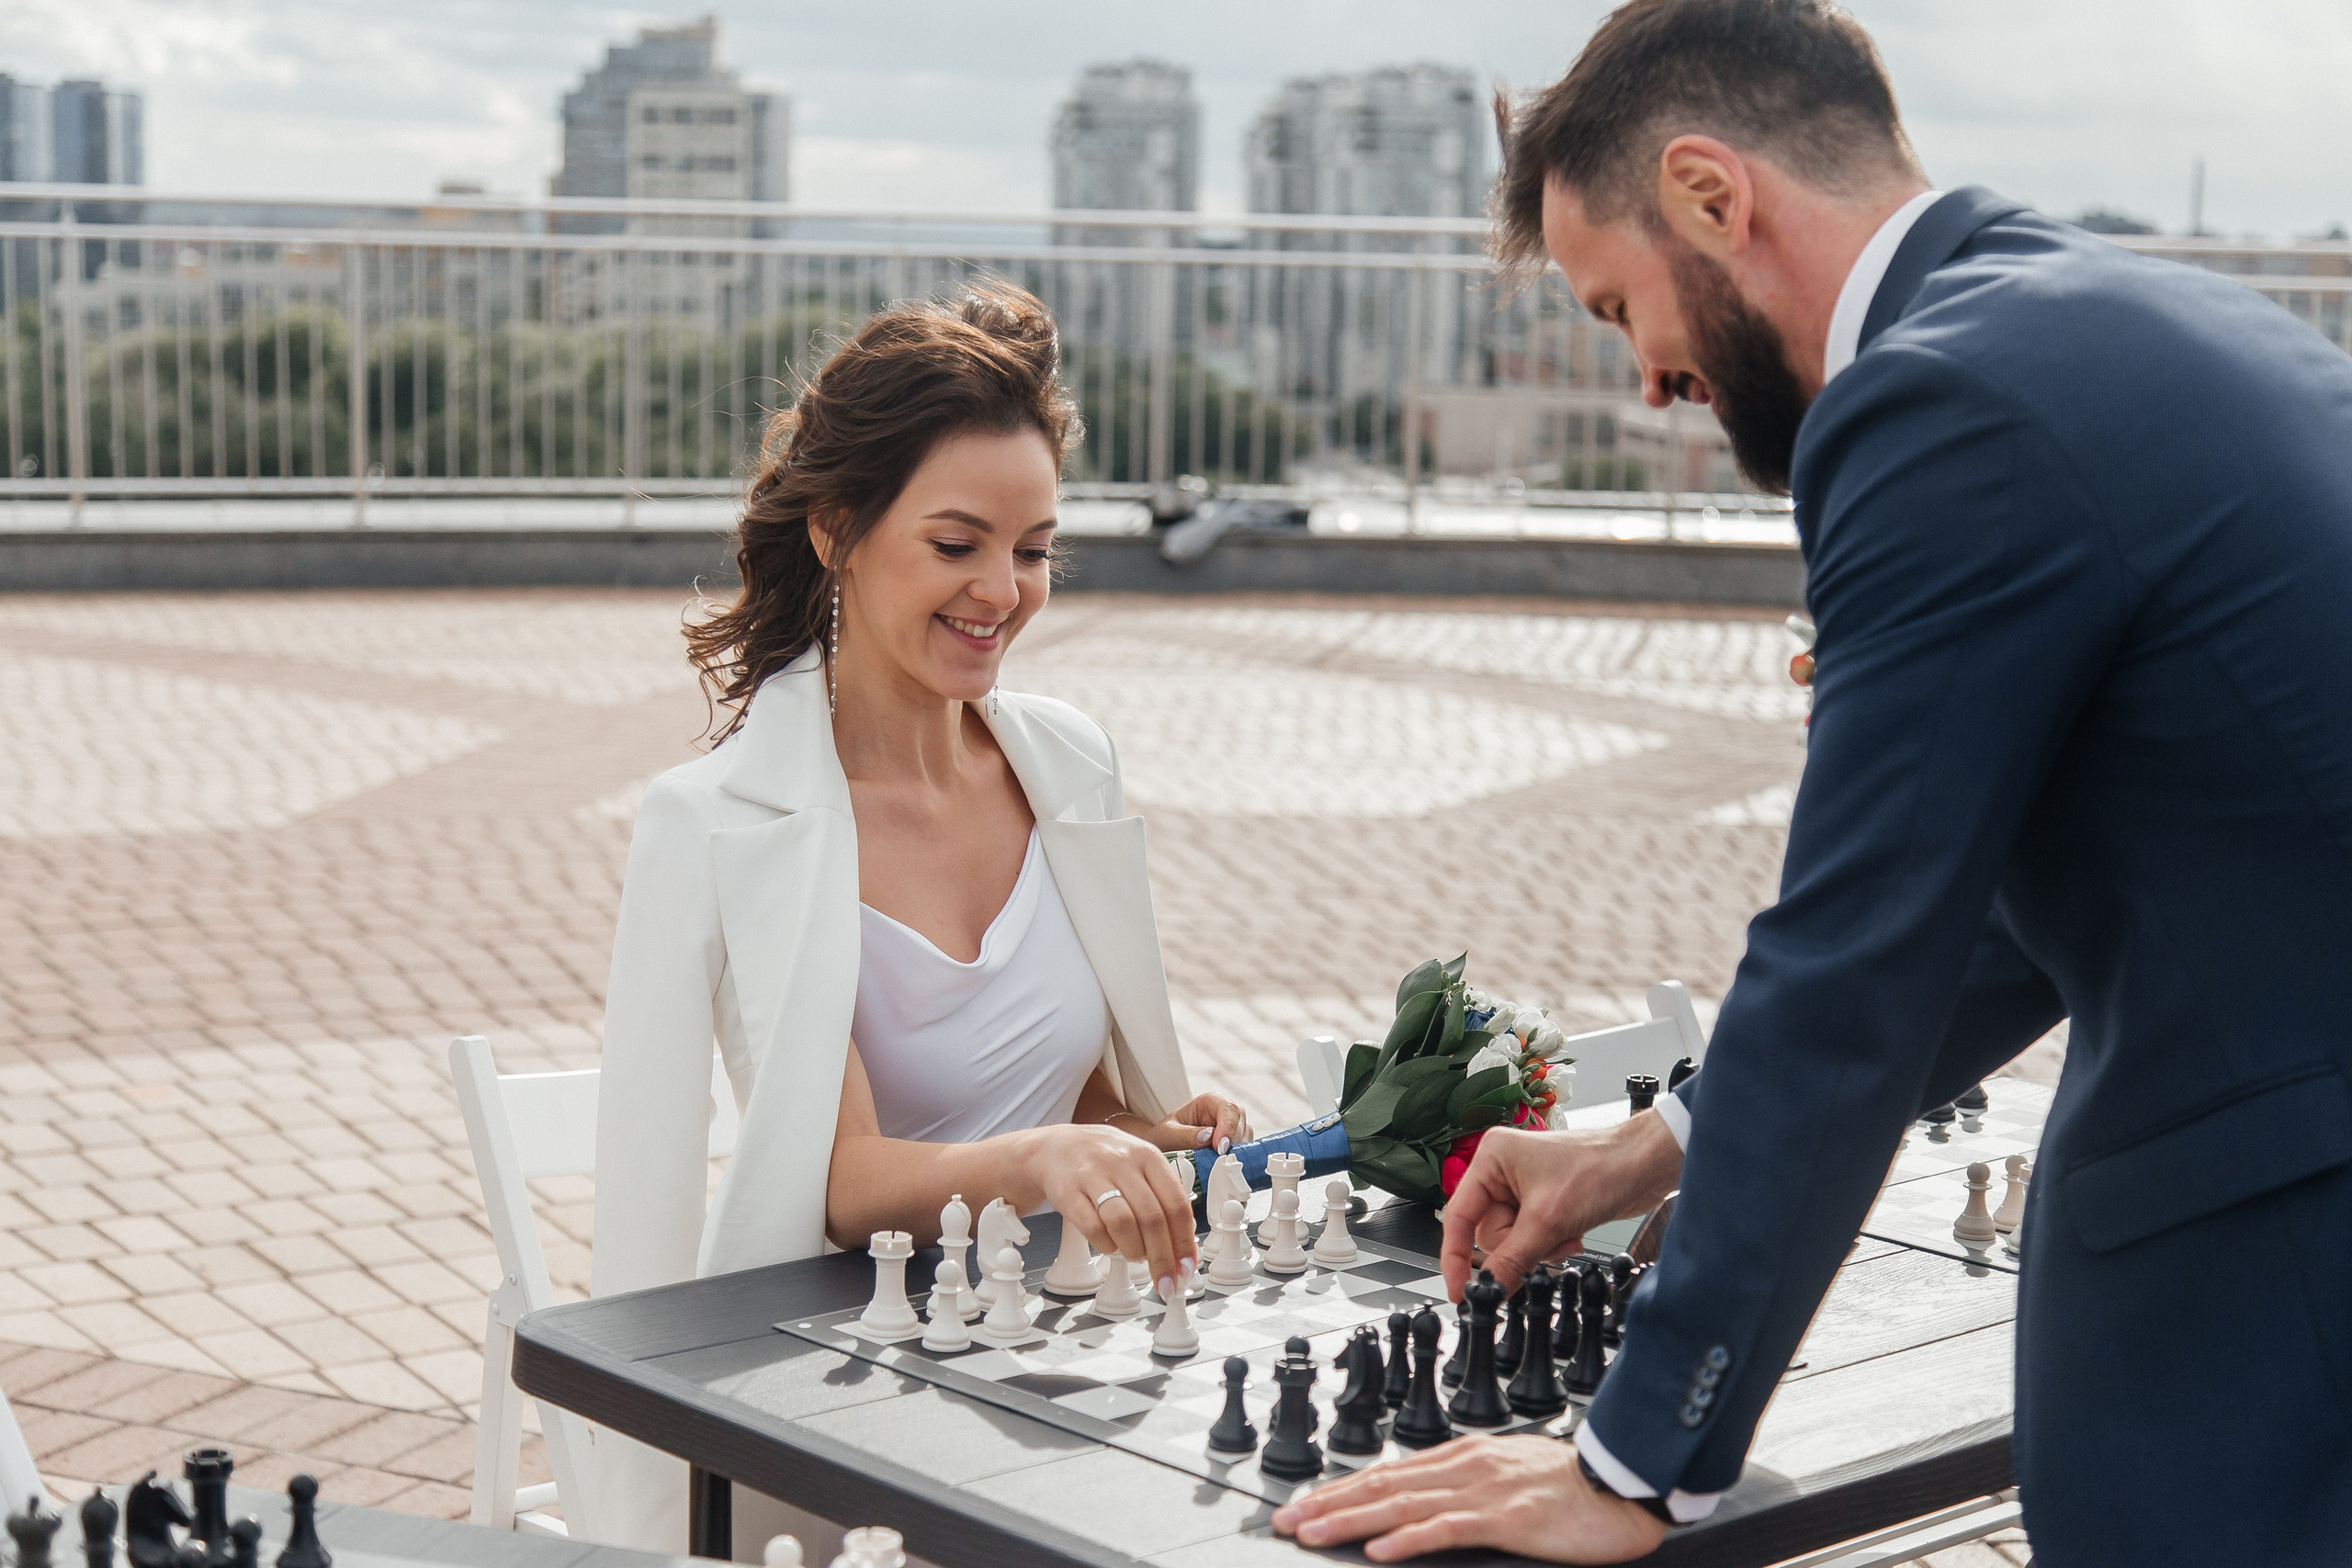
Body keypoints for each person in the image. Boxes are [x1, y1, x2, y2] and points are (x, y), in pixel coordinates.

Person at [1274, 1, 2352, 1563]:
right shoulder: (2139, 319)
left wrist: (1633, 1462)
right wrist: (1661, 1144)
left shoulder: (1937, 405)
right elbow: (2011, 915)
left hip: (2279, 1274)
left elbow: (1859, 951)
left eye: (1616, 304)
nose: (1644, 379)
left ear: (1715, 197)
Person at [589, 283, 1250, 1551]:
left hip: (1070, 1340)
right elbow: (837, 1186)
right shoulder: (723, 821)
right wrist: (1050, 1161)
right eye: (957, 546)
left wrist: (1148, 1135)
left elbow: (1065, 1100)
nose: (1002, 590)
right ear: (839, 530)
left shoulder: (1069, 766)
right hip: (857, 1384)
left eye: (1035, 548)